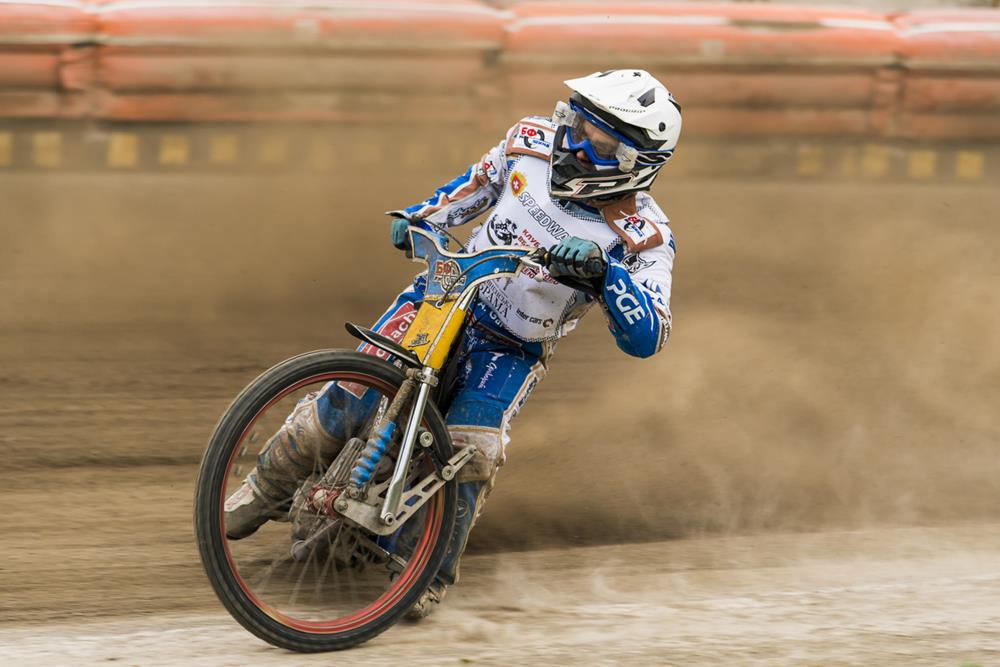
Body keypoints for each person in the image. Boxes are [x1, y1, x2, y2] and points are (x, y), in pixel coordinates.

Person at [224, 69, 681, 618]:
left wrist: (606, 272)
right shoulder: (528, 142)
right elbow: (471, 189)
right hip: (445, 291)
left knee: (471, 450)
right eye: (577, 125)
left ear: (637, 164)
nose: (577, 145)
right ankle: (267, 485)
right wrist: (419, 217)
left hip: (512, 345)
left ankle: (427, 573)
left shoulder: (645, 236)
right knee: (351, 394)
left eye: (599, 144)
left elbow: (650, 334)